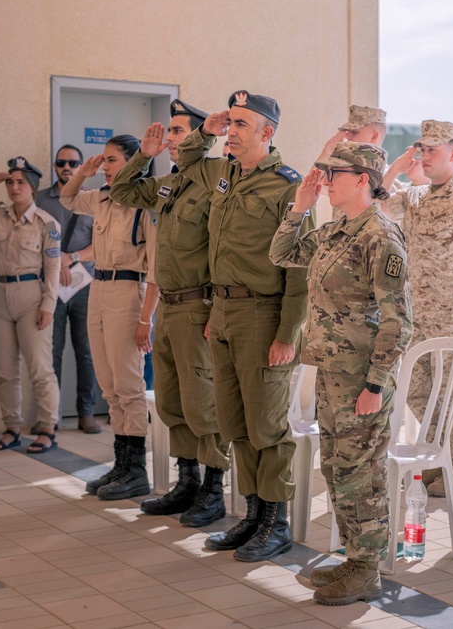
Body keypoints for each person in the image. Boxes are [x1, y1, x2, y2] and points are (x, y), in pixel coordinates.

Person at [269, 142, 412, 605]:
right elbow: (281, 253)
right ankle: (354, 557)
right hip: (331, 371)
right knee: (335, 466)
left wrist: (376, 384)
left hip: (360, 378)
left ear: (363, 179)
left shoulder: (380, 237)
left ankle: (367, 568)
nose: (326, 180)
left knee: (361, 472)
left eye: (335, 173)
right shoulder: (336, 231)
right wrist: (299, 208)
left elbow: (398, 321)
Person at [175, 90, 312, 562]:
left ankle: (276, 524)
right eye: (229, 123)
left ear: (267, 133)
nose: (230, 132)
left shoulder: (288, 188)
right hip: (225, 313)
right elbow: (187, 160)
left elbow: (300, 271)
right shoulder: (224, 176)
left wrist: (286, 335)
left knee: (267, 426)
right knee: (235, 423)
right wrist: (206, 128)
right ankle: (253, 515)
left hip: (263, 315)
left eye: (240, 124)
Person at [109, 99, 233, 528]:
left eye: (179, 132)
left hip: (199, 306)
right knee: (173, 402)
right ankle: (187, 482)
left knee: (204, 405)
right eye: (171, 133)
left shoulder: (216, 177)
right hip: (168, 305)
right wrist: (143, 155)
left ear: (200, 137)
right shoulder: (167, 185)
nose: (171, 140)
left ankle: (214, 489)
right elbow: (123, 192)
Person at [381, 120, 453, 497]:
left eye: (431, 150)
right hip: (418, 310)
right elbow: (379, 199)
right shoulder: (416, 196)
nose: (424, 156)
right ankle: (438, 455)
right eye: (421, 149)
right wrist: (398, 164)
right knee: (416, 388)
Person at [60, 135, 155, 501]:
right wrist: (84, 172)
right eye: (107, 160)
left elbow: (157, 270)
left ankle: (136, 471)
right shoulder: (100, 197)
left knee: (129, 386)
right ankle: (120, 463)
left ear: (134, 164)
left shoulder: (145, 205)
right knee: (109, 386)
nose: (106, 166)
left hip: (129, 292)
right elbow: (68, 198)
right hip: (98, 289)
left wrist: (146, 318)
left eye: (113, 160)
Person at [0, 157, 61, 454]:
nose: (13, 187)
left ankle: (48, 428)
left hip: (31, 299)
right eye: (10, 182)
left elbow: (54, 267)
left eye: (20, 182)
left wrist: (48, 304)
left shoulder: (47, 223)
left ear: (33, 187)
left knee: (40, 370)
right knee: (6, 372)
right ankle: (11, 427)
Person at [34, 145, 100, 435]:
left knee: (86, 351)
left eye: (73, 162)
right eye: (62, 162)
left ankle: (86, 412)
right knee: (53, 351)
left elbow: (101, 245)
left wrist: (70, 258)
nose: (67, 167)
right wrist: (55, 263)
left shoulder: (93, 200)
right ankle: (52, 415)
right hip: (50, 287)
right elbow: (33, 243)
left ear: (82, 166)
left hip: (84, 285)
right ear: (54, 165)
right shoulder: (39, 200)